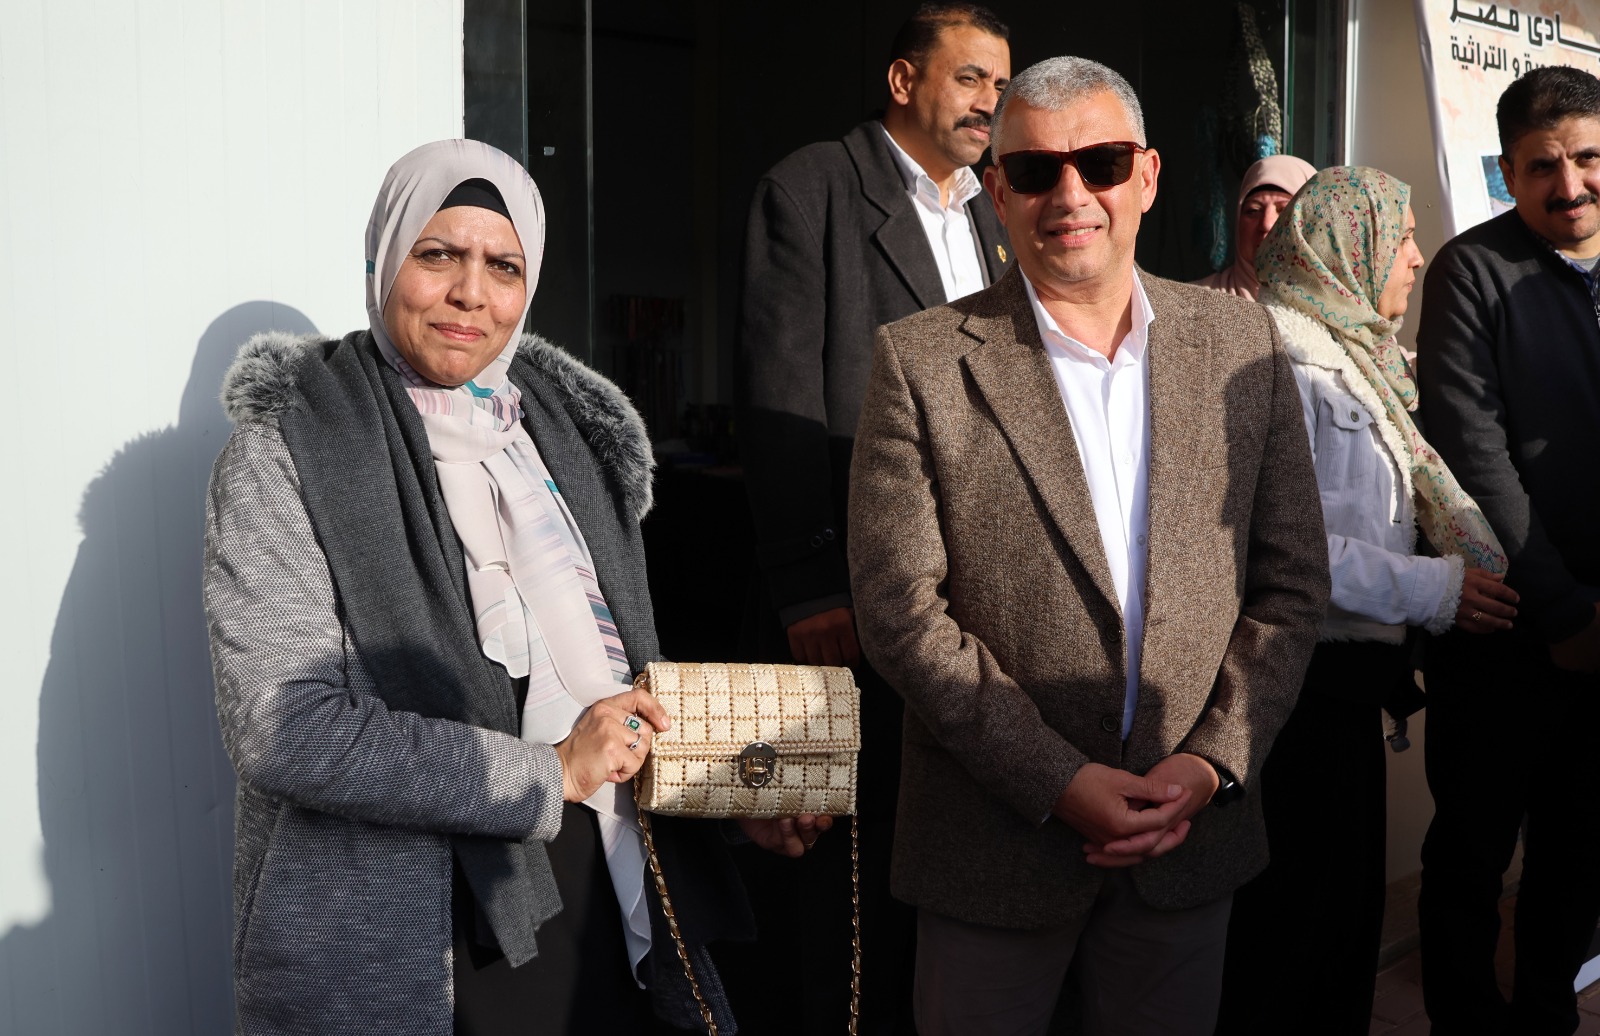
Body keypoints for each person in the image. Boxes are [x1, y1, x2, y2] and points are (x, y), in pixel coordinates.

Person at [203, 139, 823, 1036]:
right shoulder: (290, 451)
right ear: (383, 259)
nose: (471, 293)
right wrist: (548, 773)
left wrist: (721, 800)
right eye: (438, 255)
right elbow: (284, 728)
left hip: (597, 894)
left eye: (503, 267)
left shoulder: (561, 438)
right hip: (412, 928)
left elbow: (606, 692)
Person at [846, 56, 1330, 1036]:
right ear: (997, 193)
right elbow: (900, 612)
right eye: (1035, 171)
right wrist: (1056, 781)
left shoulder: (1241, 346)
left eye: (1101, 163)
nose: (1070, 195)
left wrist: (1211, 763)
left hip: (1186, 841)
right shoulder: (919, 359)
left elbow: (1291, 583)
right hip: (991, 849)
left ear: (1146, 176)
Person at [732, 4, 1011, 1030]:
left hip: (970, 600)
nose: (990, 103)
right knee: (842, 881)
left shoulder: (995, 210)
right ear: (903, 81)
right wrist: (807, 580)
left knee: (943, 866)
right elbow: (779, 400)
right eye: (971, 78)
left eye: (1000, 86)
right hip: (848, 596)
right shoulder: (811, 189)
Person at [1212, 166, 1518, 1035]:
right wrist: (1437, 590)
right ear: (1350, 248)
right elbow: (1279, 544)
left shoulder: (1358, 358)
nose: (1417, 258)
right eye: (1404, 238)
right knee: (1293, 937)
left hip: (1348, 692)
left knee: (1340, 931)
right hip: (1294, 693)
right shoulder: (1277, 358)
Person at [1415, 65, 1600, 1036]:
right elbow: (1472, 449)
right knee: (1472, 855)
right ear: (1507, 171)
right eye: (1541, 167)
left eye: (1588, 158)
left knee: (1579, 853)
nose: (1569, 187)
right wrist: (1563, 610)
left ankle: (1546, 1018)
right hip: (1506, 632)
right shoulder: (1471, 271)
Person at [1191, 153, 1317, 299]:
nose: (1266, 224)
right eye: (1253, 211)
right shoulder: (1192, 302)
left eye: (1284, 211)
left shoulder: (1332, 309)